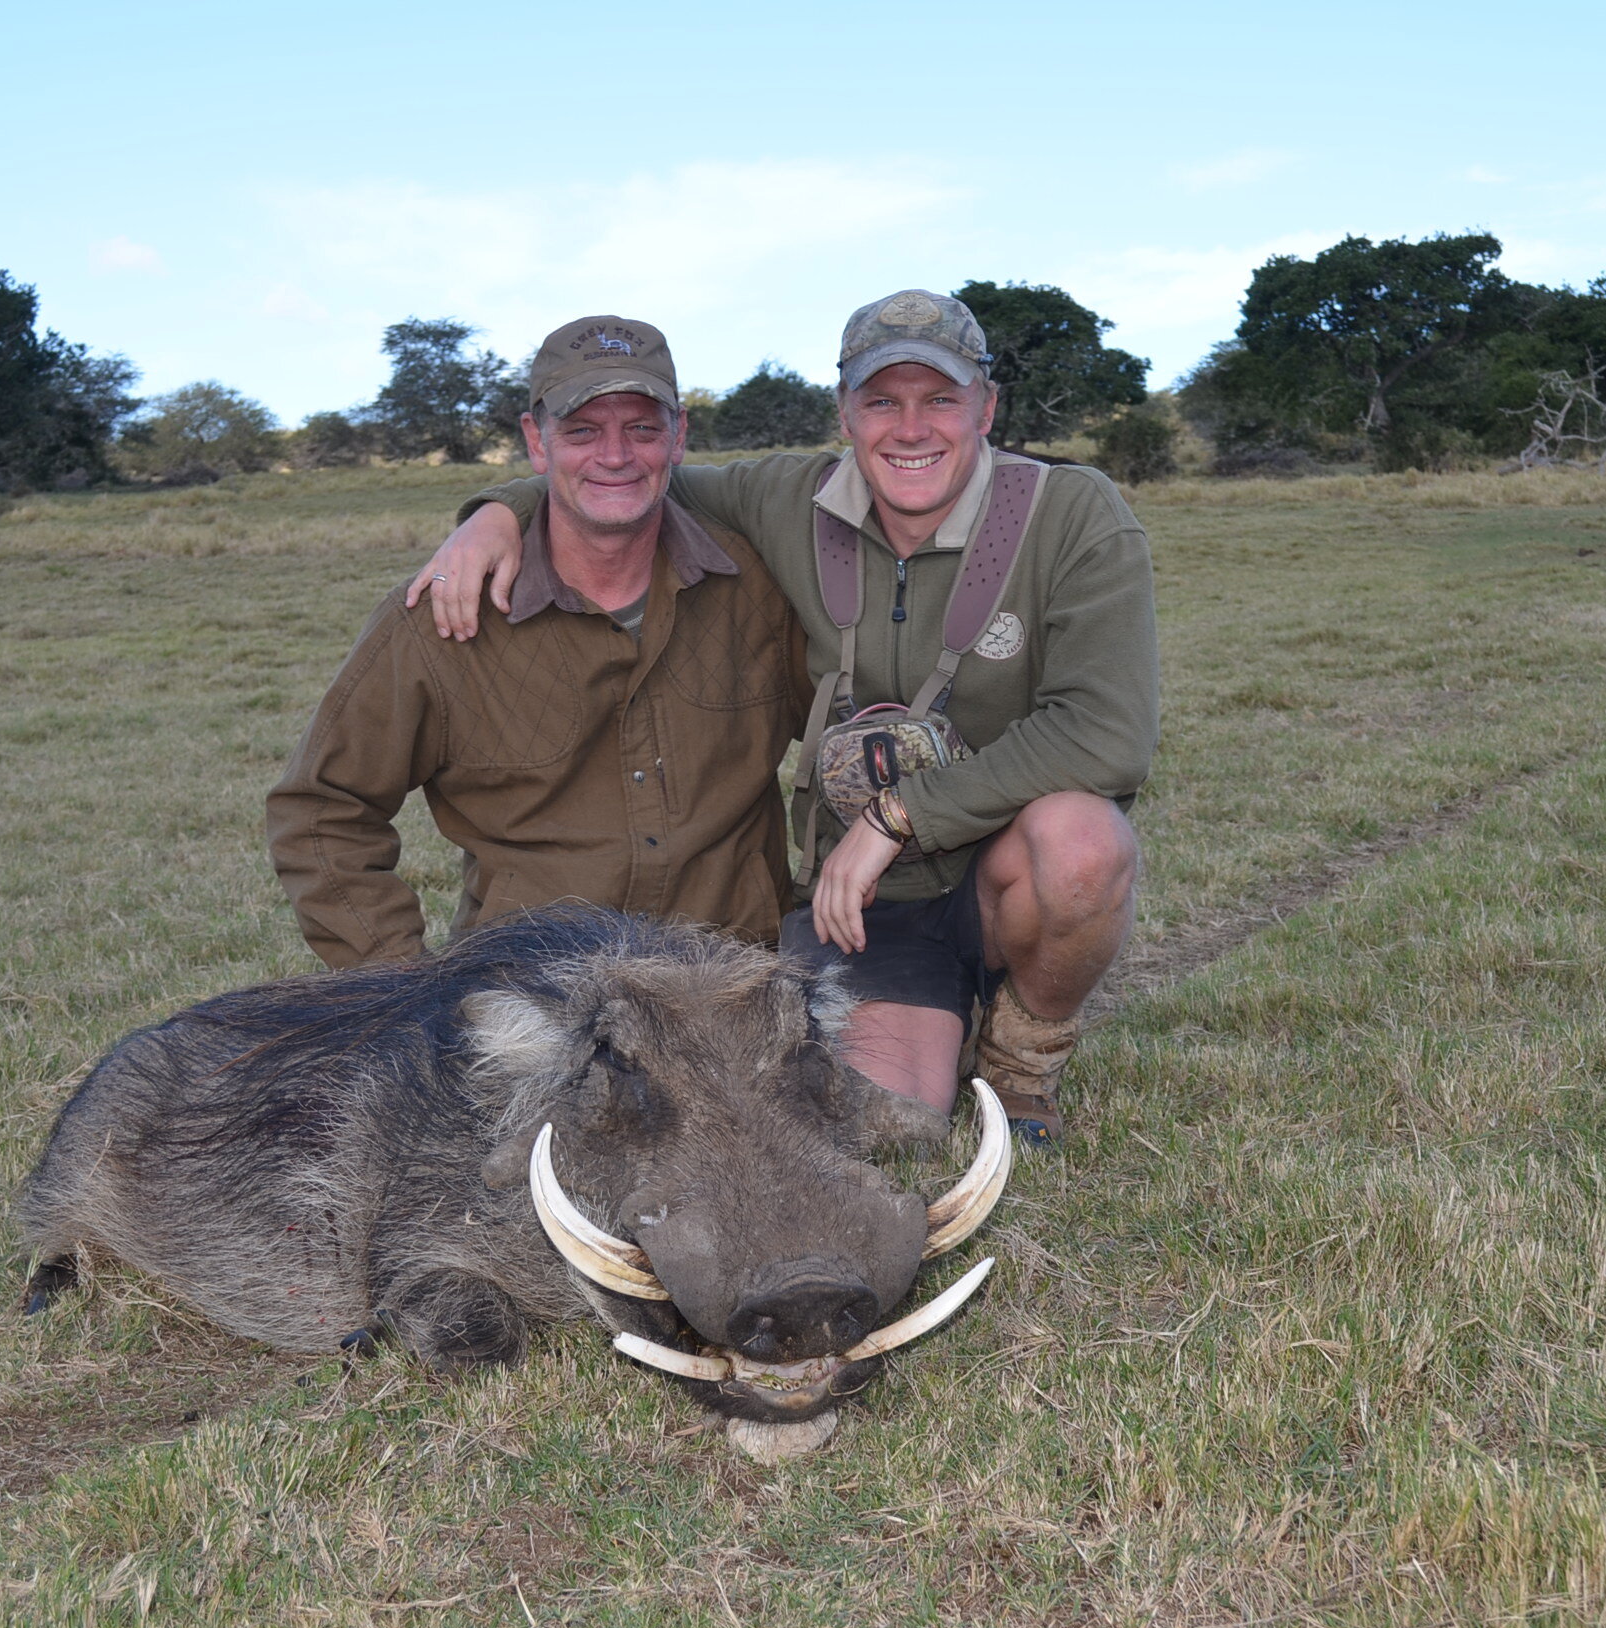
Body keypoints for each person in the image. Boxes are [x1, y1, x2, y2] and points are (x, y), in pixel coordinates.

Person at [409, 290, 1157, 1147]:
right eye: (882, 402)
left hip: (998, 875)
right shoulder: (783, 500)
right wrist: (496, 515)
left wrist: (899, 814)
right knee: (884, 1127)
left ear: (986, 406)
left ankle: (1024, 1061)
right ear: (844, 412)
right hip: (869, 907)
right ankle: (938, 1022)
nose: (910, 428)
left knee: (1083, 842)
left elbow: (1108, 736)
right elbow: (623, 477)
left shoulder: (1074, 514)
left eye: (940, 400)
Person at [266, 315, 810, 969]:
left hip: (735, 982)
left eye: (642, 428)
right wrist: (406, 993)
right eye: (582, 431)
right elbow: (321, 808)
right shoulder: (444, 614)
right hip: (532, 1006)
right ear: (536, 440)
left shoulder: (758, 586)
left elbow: (853, 724)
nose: (615, 455)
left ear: (679, 436)